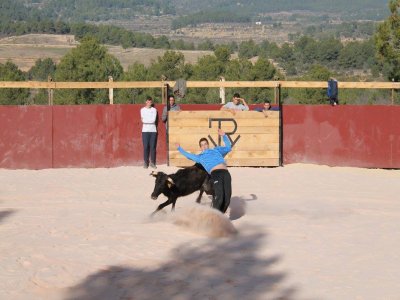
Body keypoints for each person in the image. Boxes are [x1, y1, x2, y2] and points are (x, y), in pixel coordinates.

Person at [176, 129, 232, 213]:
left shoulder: (216, 150)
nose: (204, 146)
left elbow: (228, 147)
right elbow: (189, 156)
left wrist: (224, 135)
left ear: (208, 144)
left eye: (205, 144)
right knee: (220, 197)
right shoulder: (200, 157)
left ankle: (220, 217)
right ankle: (214, 218)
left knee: (227, 198)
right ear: (200, 147)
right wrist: (180, 149)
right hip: (216, 174)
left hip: (226, 173)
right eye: (202, 145)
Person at [140, 96, 157, 169]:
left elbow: (153, 120)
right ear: (146, 102)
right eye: (148, 101)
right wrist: (145, 120)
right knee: (146, 147)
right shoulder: (142, 110)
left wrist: (145, 120)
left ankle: (152, 162)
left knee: (152, 147)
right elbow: (143, 120)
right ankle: (145, 162)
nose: (149, 103)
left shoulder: (154, 110)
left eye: (150, 101)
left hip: (153, 130)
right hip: (145, 131)